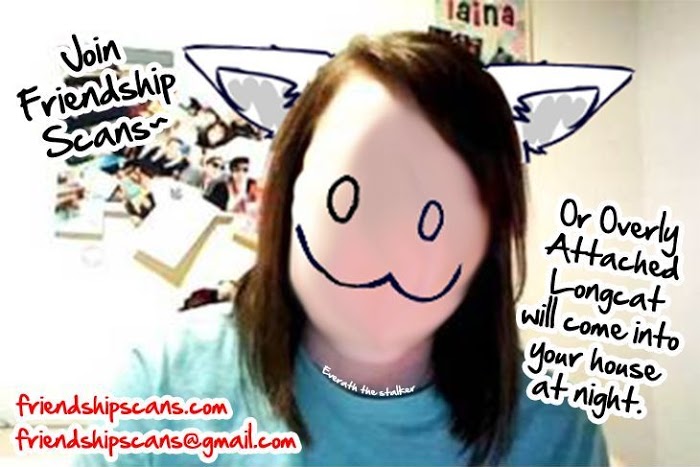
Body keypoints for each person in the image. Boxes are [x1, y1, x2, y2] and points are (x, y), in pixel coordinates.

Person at [74, 31, 607, 466]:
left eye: (436, 209)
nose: (390, 240)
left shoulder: (553, 429)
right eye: (351, 194)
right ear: (287, 199)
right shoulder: (164, 382)